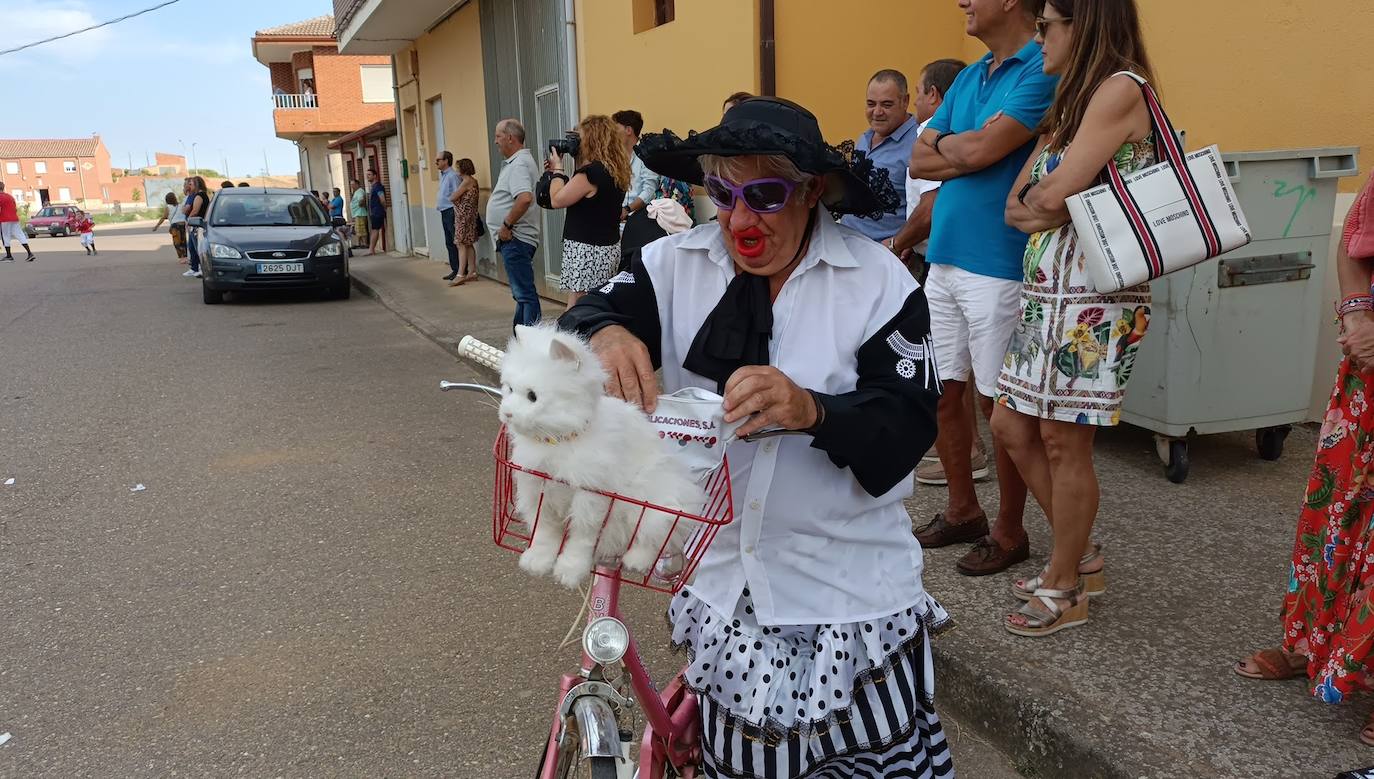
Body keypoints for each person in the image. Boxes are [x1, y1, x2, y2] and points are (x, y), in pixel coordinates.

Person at [559, 97, 952, 778]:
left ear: (812, 191)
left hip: (847, 592)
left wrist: (814, 410)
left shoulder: (877, 282)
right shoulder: (675, 264)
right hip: (724, 590)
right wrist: (606, 330)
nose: (738, 219)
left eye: (764, 195)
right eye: (722, 193)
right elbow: (587, 312)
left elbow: (907, 420)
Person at [993, 0, 1157, 635]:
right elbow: (1019, 205)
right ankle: (1078, 550)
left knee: (1065, 440)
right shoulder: (1072, 106)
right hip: (1047, 293)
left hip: (1095, 301)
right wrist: (1051, 200)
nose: (1038, 41)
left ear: (1082, 25)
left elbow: (1051, 194)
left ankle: (1067, 583)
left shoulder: (1120, 89)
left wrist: (1053, 198)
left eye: (1046, 26)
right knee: (1010, 422)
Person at [910, 0, 1058, 577]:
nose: (962, 3)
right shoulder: (971, 74)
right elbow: (925, 158)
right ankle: (963, 509)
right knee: (942, 392)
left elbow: (972, 151)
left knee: (1001, 407)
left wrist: (960, 147)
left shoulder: (1041, 71)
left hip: (997, 264)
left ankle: (1009, 529)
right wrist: (964, 149)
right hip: (943, 259)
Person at [1235, 171, 1374, 742]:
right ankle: (1316, 643)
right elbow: (1353, 242)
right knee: (1336, 515)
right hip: (1367, 375)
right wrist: (1358, 315)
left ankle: (1359, 664)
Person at [542, 114, 630, 306]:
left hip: (586, 249)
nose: (576, 143)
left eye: (579, 138)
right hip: (607, 247)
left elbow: (556, 200)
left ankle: (570, 335)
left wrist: (557, 169)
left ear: (592, 139)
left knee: (580, 304)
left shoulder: (591, 174)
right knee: (592, 301)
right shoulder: (614, 171)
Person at [838, 69, 921, 246]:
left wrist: (896, 245)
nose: (877, 112)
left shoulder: (919, 143)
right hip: (845, 243)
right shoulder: (864, 138)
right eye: (871, 104)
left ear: (905, 101)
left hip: (884, 255)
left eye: (886, 104)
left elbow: (928, 209)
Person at [486, 118, 541, 327]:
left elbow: (525, 197)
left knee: (525, 294)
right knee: (521, 294)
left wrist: (506, 225)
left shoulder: (518, 163)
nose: (495, 141)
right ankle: (520, 340)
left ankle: (531, 342)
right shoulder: (517, 161)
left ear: (510, 138)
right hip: (515, 239)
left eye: (498, 136)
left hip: (516, 238)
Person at [612, 109, 659, 224]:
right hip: (615, 221)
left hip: (638, 221)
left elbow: (649, 190)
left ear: (628, 130)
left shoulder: (646, 154)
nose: (612, 133)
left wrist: (626, 210)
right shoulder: (615, 155)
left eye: (616, 129)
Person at [435, 150, 463, 282]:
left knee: (455, 240)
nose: (436, 162)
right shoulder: (443, 175)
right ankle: (455, 269)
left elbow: (458, 193)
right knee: (449, 242)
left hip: (451, 211)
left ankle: (461, 269)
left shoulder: (452, 175)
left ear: (446, 161)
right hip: (444, 211)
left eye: (438, 160)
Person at [451, 158, 480, 284]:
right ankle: (472, 271)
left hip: (463, 217)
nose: (456, 169)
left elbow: (453, 197)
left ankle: (460, 274)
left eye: (458, 167)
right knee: (468, 243)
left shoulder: (466, 181)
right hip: (471, 216)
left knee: (461, 243)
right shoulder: (474, 181)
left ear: (463, 168)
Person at [0, 181, 35, 262]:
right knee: (20, 235)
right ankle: (30, 253)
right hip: (14, 218)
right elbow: (14, 208)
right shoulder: (10, 196)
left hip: (5, 219)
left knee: (5, 236)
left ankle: (9, 256)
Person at [182, 176, 209, 278]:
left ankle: (202, 269)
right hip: (196, 225)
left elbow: (195, 210)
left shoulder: (199, 195)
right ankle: (194, 268)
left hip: (197, 225)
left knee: (198, 248)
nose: (190, 186)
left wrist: (188, 221)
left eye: (191, 184)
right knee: (192, 247)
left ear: (196, 185)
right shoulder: (200, 195)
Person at [153, 191, 188, 263]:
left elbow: (163, 217)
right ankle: (185, 257)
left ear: (167, 200)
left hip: (175, 226)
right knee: (183, 241)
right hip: (182, 225)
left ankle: (182, 258)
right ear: (175, 198)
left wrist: (157, 226)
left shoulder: (168, 207)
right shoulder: (181, 205)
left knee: (177, 242)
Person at [366, 170, 387, 255]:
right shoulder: (373, 186)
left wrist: (384, 207)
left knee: (375, 230)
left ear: (375, 176)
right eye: (367, 175)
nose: (367, 176)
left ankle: (371, 250)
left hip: (377, 212)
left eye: (369, 175)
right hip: (374, 212)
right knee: (375, 230)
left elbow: (382, 198)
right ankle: (372, 249)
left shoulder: (378, 186)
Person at [349, 178, 368, 248]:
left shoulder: (360, 191)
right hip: (357, 214)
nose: (351, 186)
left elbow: (361, 200)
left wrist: (360, 204)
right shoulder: (356, 192)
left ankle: (365, 243)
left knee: (361, 229)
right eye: (351, 184)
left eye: (353, 184)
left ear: (357, 184)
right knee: (358, 230)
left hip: (360, 213)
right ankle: (360, 243)